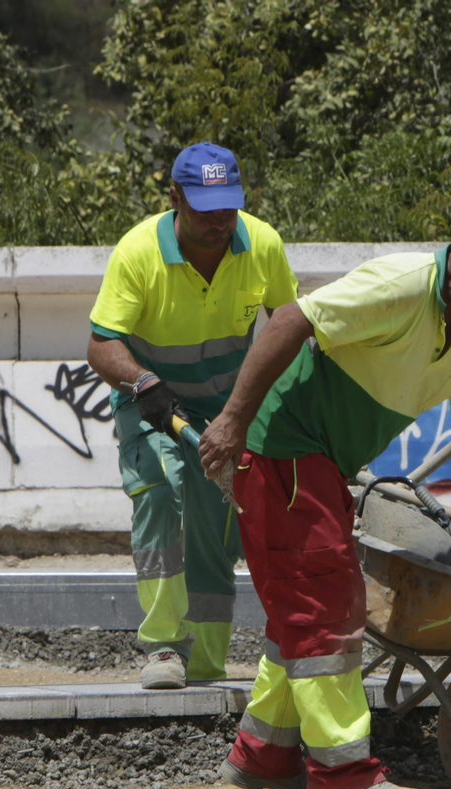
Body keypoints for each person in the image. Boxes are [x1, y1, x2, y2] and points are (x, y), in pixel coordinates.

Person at [197, 216, 451, 789]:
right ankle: (342, 777)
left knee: (303, 608)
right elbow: (291, 319)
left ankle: (263, 758)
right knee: (329, 604)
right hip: (283, 449)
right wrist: (233, 420)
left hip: (321, 463)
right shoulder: (402, 286)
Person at [87, 142, 298, 690]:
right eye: (205, 209)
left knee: (212, 525)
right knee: (159, 495)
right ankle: (162, 645)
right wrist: (143, 382)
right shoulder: (139, 252)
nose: (219, 221)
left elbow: (289, 328)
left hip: (227, 411)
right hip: (151, 402)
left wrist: (266, 412)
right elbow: (102, 345)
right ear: (175, 197)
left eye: (228, 207)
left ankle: (204, 661)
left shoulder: (262, 244)